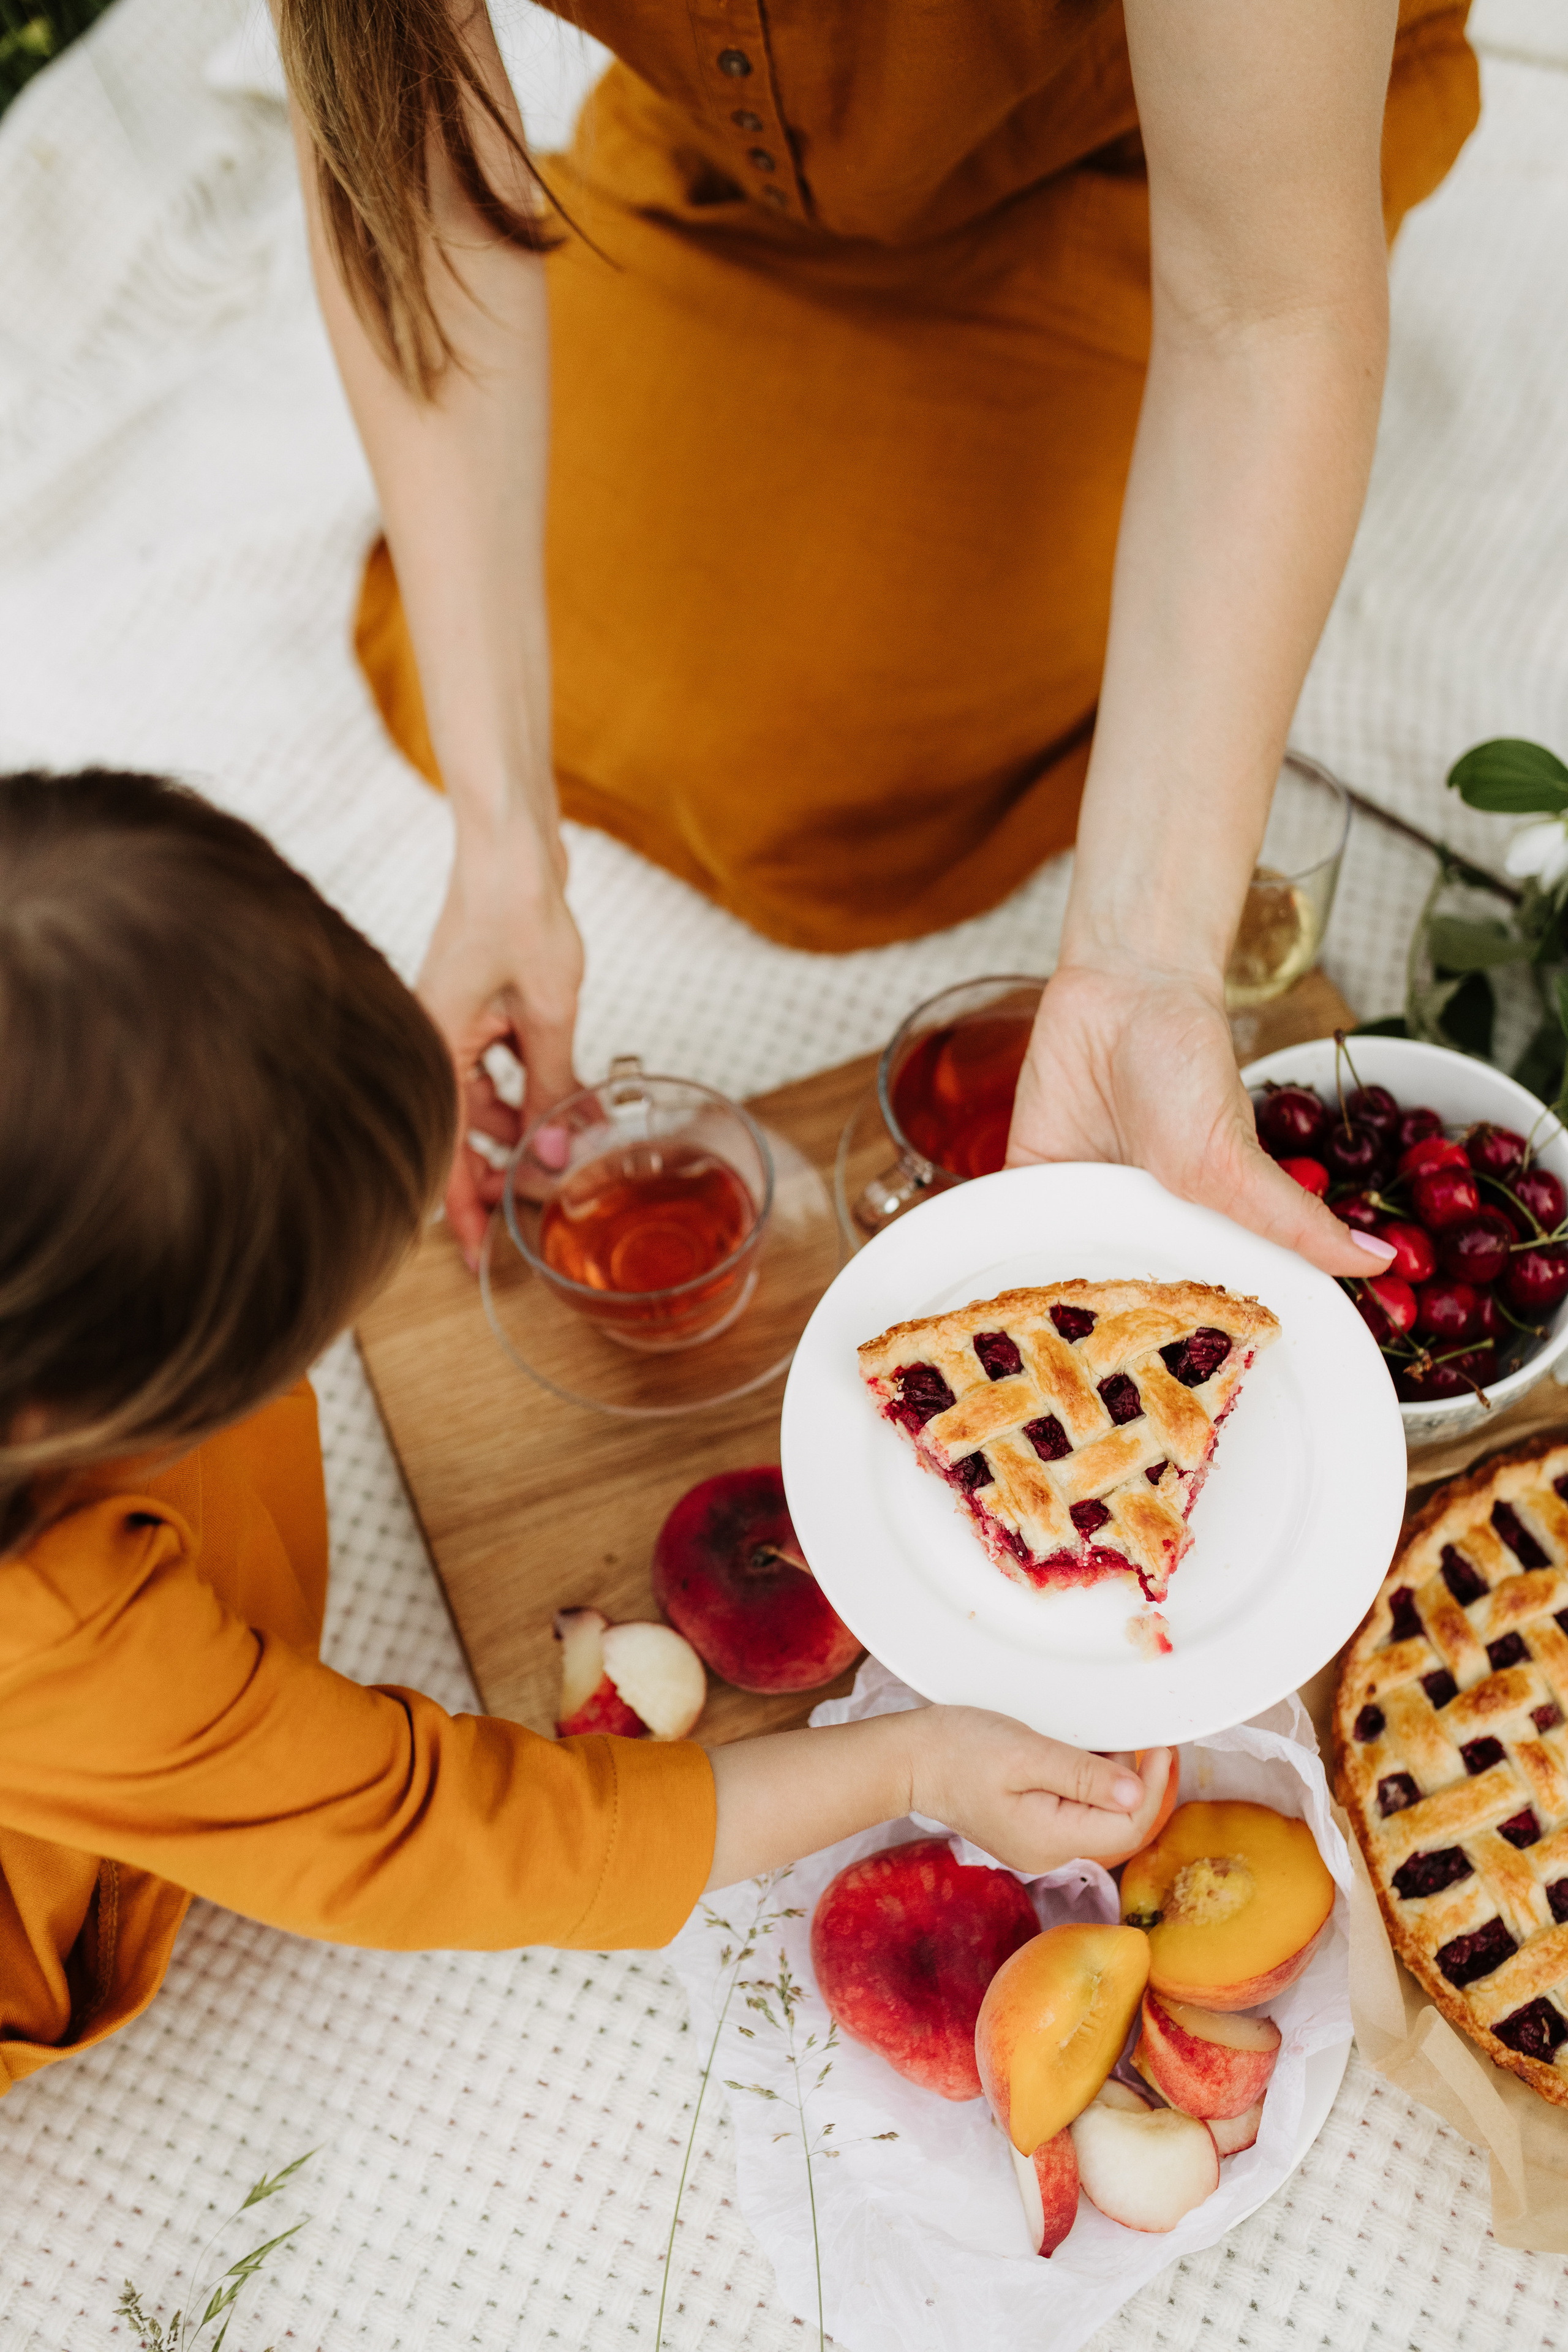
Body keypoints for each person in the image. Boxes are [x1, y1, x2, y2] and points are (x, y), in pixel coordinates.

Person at [0, 770, 1169, 2094]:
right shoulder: (73, 1647)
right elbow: (438, 1836)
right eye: (307, 1313)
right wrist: (912, 1757)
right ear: (95, 1399)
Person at [275, 0, 1476, 1278]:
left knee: (824, 755)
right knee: (606, 655)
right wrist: (502, 842)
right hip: (750, 159)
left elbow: (1261, 313)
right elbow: (407, 184)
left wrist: (1142, 959)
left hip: (1160, 162)